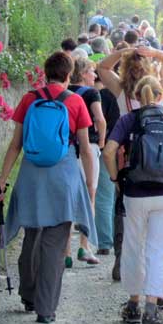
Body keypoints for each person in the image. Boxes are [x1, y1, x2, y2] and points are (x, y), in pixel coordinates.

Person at [0, 52, 97, 324]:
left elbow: (16, 144)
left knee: (32, 235)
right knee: (54, 243)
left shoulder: (30, 99)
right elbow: (85, 149)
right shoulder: (75, 101)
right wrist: (89, 184)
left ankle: (28, 295)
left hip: (31, 174)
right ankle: (46, 308)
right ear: (68, 75)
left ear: (45, 72)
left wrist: (2, 181)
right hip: (63, 176)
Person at [103, 76, 163, 324]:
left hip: (135, 193)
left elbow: (108, 152)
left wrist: (115, 178)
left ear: (137, 94)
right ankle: (151, 310)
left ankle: (133, 304)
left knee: (133, 246)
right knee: (159, 250)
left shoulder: (128, 119)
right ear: (161, 93)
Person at [97, 45, 163, 280]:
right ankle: (158, 278)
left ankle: (121, 259)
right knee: (159, 222)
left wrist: (123, 52)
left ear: (125, 69)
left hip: (128, 162)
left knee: (124, 211)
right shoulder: (160, 92)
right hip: (159, 164)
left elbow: (102, 67)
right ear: (149, 69)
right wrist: (154, 52)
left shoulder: (121, 91)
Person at [65, 57, 107, 267]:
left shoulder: (64, 91)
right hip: (87, 147)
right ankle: (84, 245)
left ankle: (65, 252)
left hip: (65, 149)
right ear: (82, 74)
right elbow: (99, 119)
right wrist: (101, 141)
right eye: (91, 71)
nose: (95, 75)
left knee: (67, 198)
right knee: (89, 195)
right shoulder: (92, 93)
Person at [93, 67, 121, 254]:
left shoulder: (102, 95)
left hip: (107, 146)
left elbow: (98, 121)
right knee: (121, 196)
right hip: (126, 148)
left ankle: (104, 241)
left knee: (104, 195)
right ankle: (119, 236)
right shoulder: (129, 94)